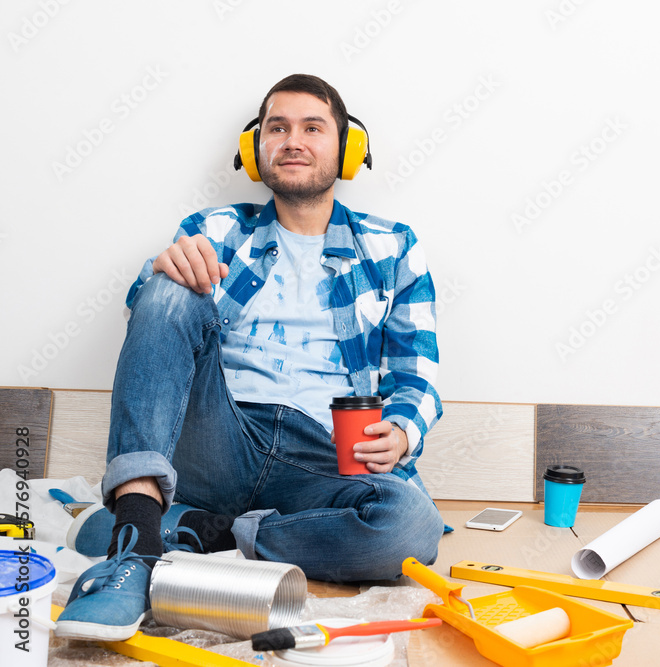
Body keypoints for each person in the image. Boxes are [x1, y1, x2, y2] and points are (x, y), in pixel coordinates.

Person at [55, 74, 444, 642]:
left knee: (408, 529)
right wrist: (159, 272)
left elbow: (418, 374)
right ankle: (135, 545)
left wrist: (405, 432)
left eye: (313, 128)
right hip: (220, 436)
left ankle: (202, 532)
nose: (293, 140)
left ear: (347, 149)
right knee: (167, 281)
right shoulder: (215, 229)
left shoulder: (394, 246)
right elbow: (153, 324)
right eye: (276, 128)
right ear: (254, 149)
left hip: (325, 455)